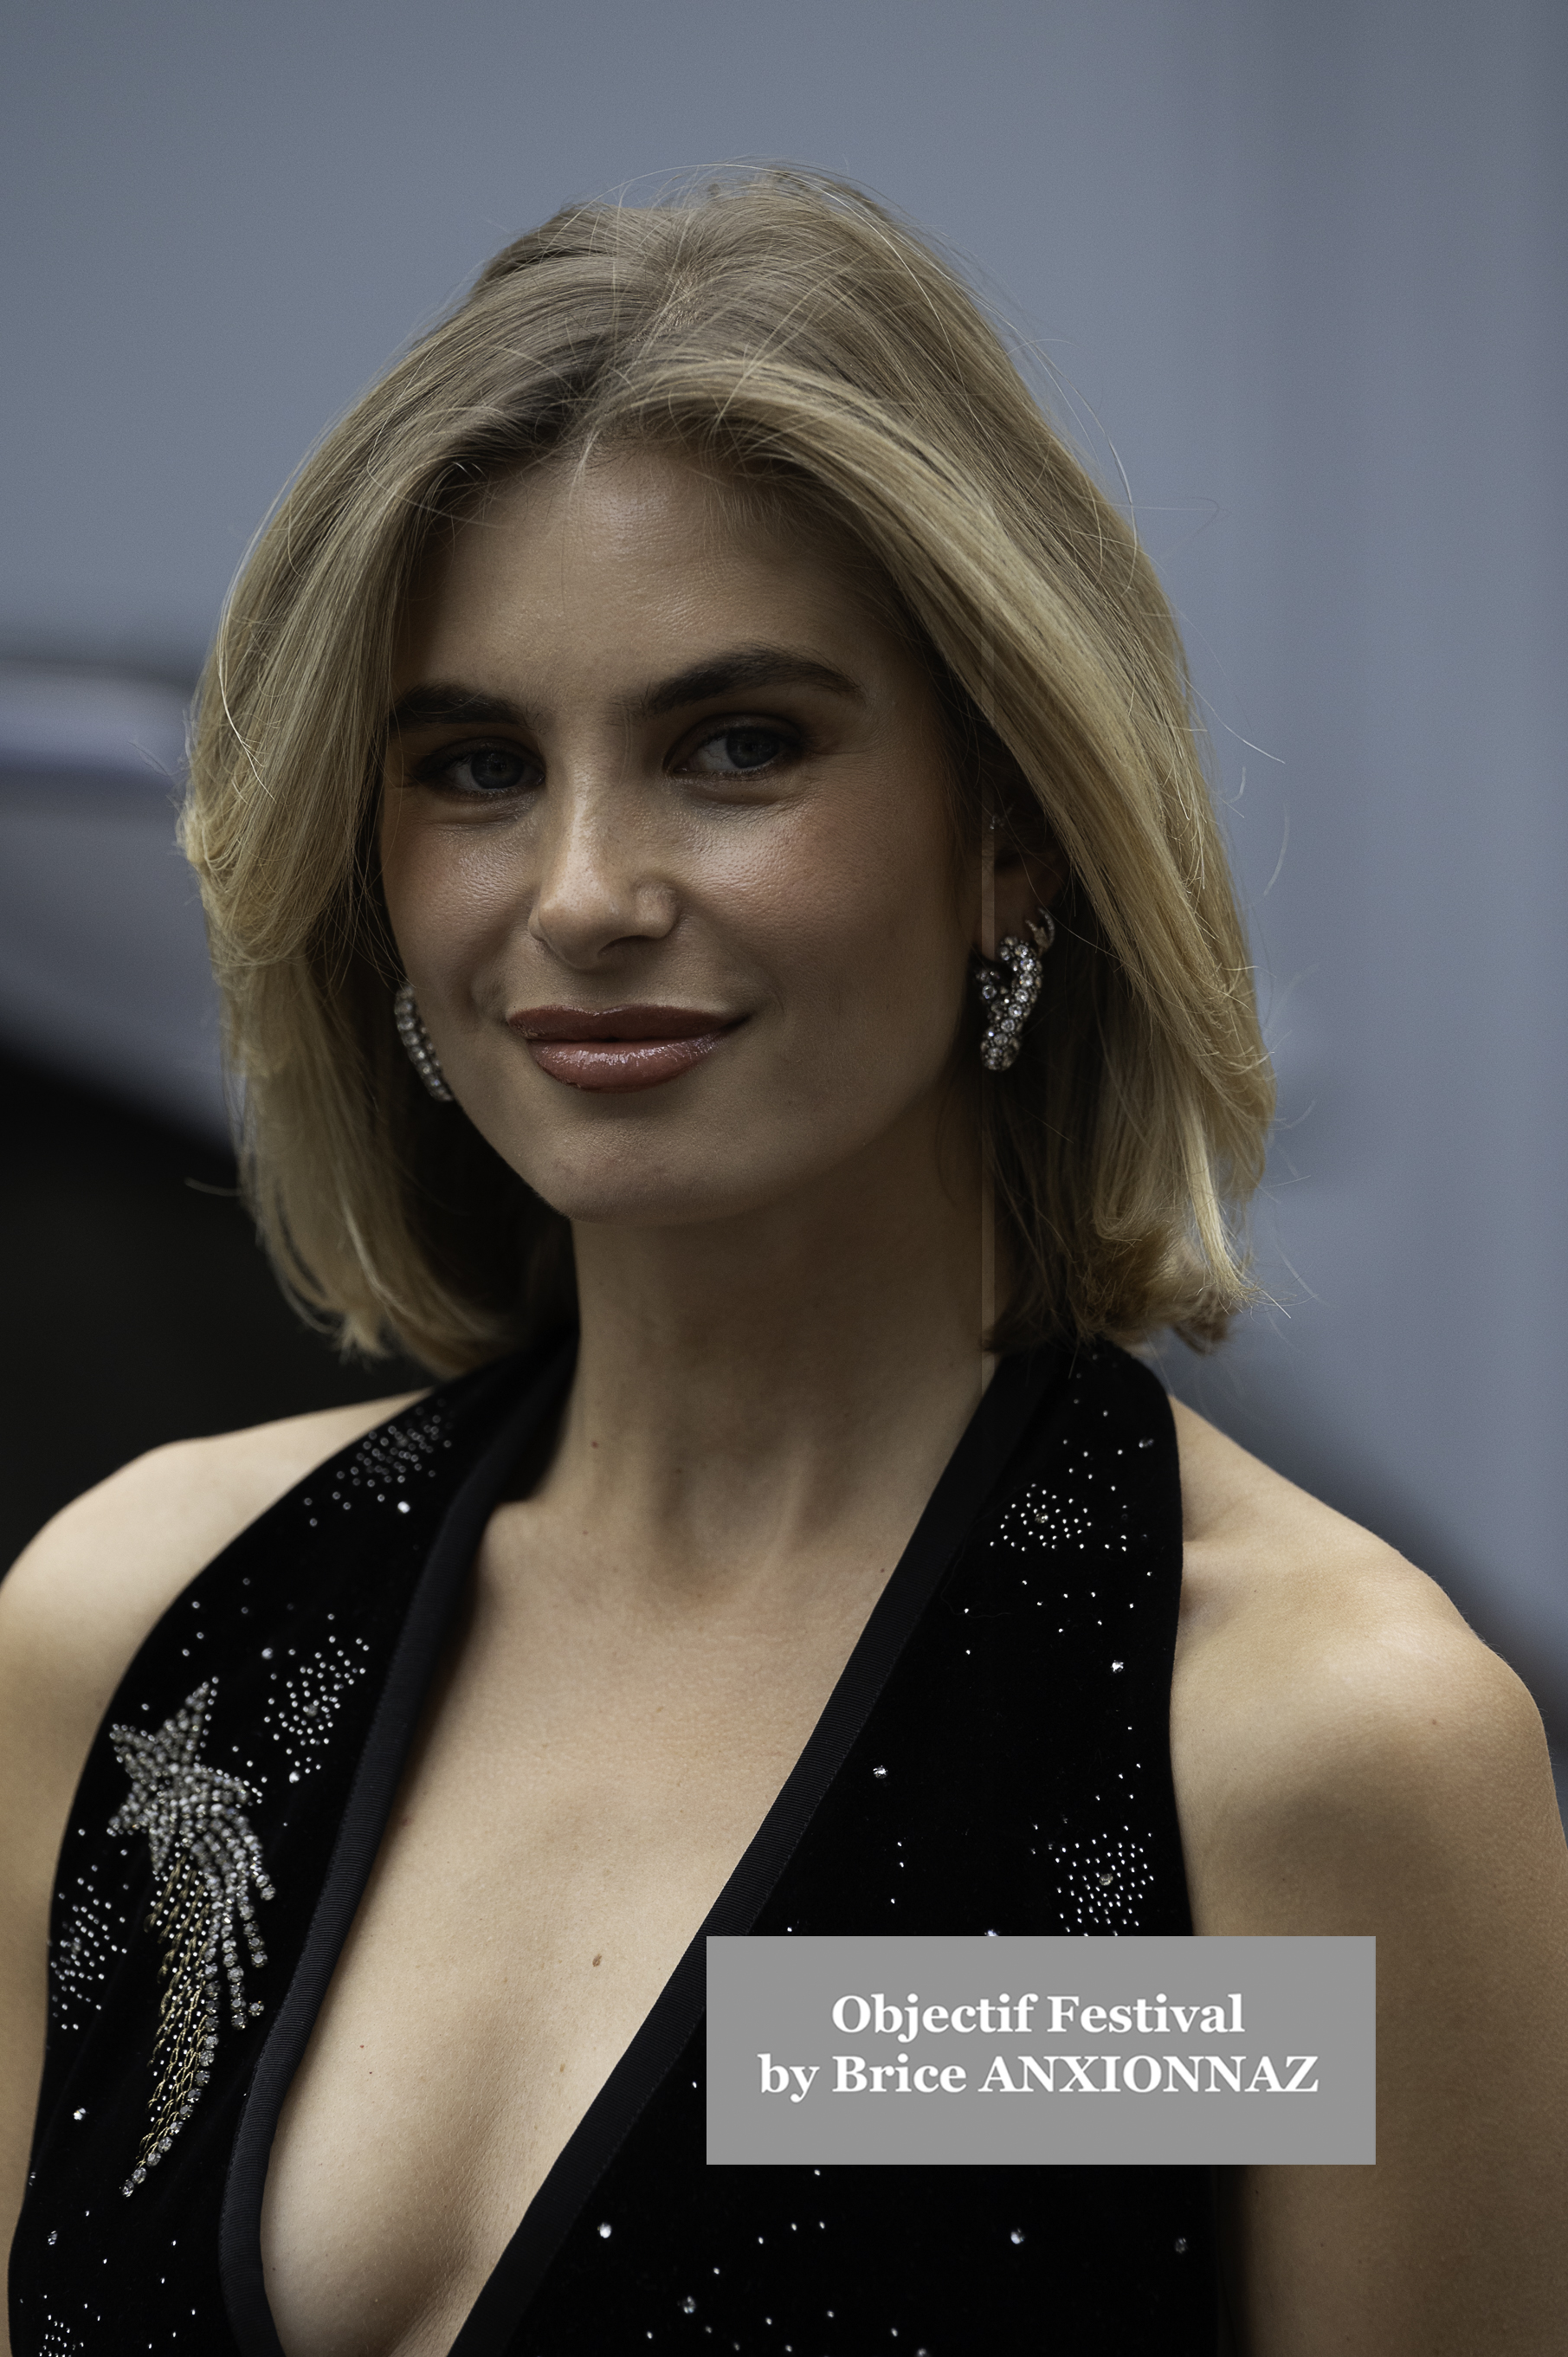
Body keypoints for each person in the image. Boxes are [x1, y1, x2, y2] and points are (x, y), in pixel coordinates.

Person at [2, 170, 1565, 2357]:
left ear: (1012, 827)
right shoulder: (139, 1640)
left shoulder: (1288, 1747)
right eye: (475, 766)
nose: (583, 891)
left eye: (737, 745)